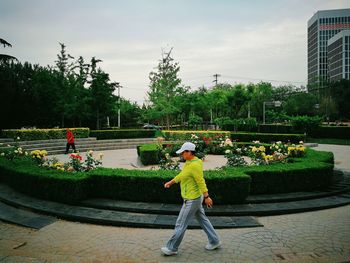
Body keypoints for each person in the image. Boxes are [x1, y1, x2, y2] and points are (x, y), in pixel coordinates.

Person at [161, 142, 221, 256]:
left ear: (189, 152)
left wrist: (207, 197)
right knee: (203, 220)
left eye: (183, 152)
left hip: (192, 199)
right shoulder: (190, 162)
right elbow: (182, 175)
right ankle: (215, 241)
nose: (182, 154)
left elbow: (200, 181)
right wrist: (171, 182)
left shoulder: (194, 165)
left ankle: (172, 248)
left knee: (180, 223)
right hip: (195, 198)